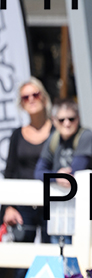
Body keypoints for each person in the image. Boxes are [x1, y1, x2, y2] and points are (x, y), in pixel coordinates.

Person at [34, 99, 92, 244]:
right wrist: (56, 177)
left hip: (85, 209)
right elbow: (38, 171)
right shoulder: (53, 138)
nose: (67, 123)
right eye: (61, 119)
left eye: (71, 119)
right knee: (57, 251)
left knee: (83, 252)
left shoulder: (86, 136)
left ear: (78, 118)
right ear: (54, 120)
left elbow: (75, 172)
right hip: (59, 209)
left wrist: (55, 176)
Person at [2, 77, 53, 241]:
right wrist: (8, 207)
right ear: (22, 104)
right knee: (21, 253)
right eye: (25, 97)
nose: (31, 99)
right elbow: (10, 172)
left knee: (52, 253)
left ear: (43, 98)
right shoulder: (17, 135)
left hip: (52, 202)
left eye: (35, 95)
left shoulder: (57, 132)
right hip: (23, 203)